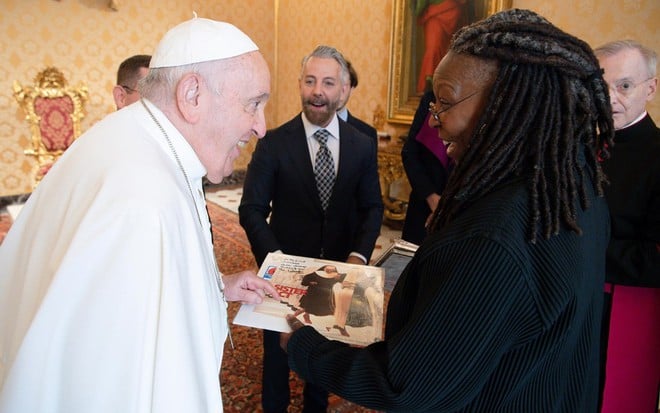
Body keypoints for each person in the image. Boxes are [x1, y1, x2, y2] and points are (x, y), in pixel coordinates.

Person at [281, 9, 613, 412]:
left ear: (508, 102)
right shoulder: (576, 187)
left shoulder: (491, 238)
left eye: (445, 102)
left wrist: (304, 344)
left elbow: (403, 386)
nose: (433, 122)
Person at [0, 17, 279, 413]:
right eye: (253, 104)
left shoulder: (138, 143)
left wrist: (217, 286)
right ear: (193, 95)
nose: (260, 127)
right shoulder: (143, 198)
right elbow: (111, 387)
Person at [239, 45, 384, 413]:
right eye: (310, 81)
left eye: (328, 82)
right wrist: (277, 261)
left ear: (344, 88)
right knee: (276, 361)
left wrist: (357, 256)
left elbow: (372, 208)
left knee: (323, 362)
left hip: (338, 277)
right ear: (300, 85)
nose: (317, 90)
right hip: (281, 277)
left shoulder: (362, 145)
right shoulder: (272, 143)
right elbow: (252, 209)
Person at [594, 40, 660, 413]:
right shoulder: (579, 145)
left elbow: (655, 259)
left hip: (622, 313)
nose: (610, 98)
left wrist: (580, 247)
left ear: (650, 88)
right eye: (600, 86)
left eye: (624, 86)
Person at [401, 89, 451, 245]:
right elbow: (409, 152)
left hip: (457, 212)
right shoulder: (430, 98)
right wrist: (431, 197)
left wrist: (446, 206)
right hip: (422, 204)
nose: (432, 122)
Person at [414, 0, 468, 94]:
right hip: (433, 13)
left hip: (452, 11)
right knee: (433, 47)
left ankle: (439, 84)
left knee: (447, 51)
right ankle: (429, 79)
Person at [336, 60, 378, 141]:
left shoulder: (367, 134)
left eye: (344, 85)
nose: (338, 91)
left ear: (351, 89)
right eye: (331, 83)